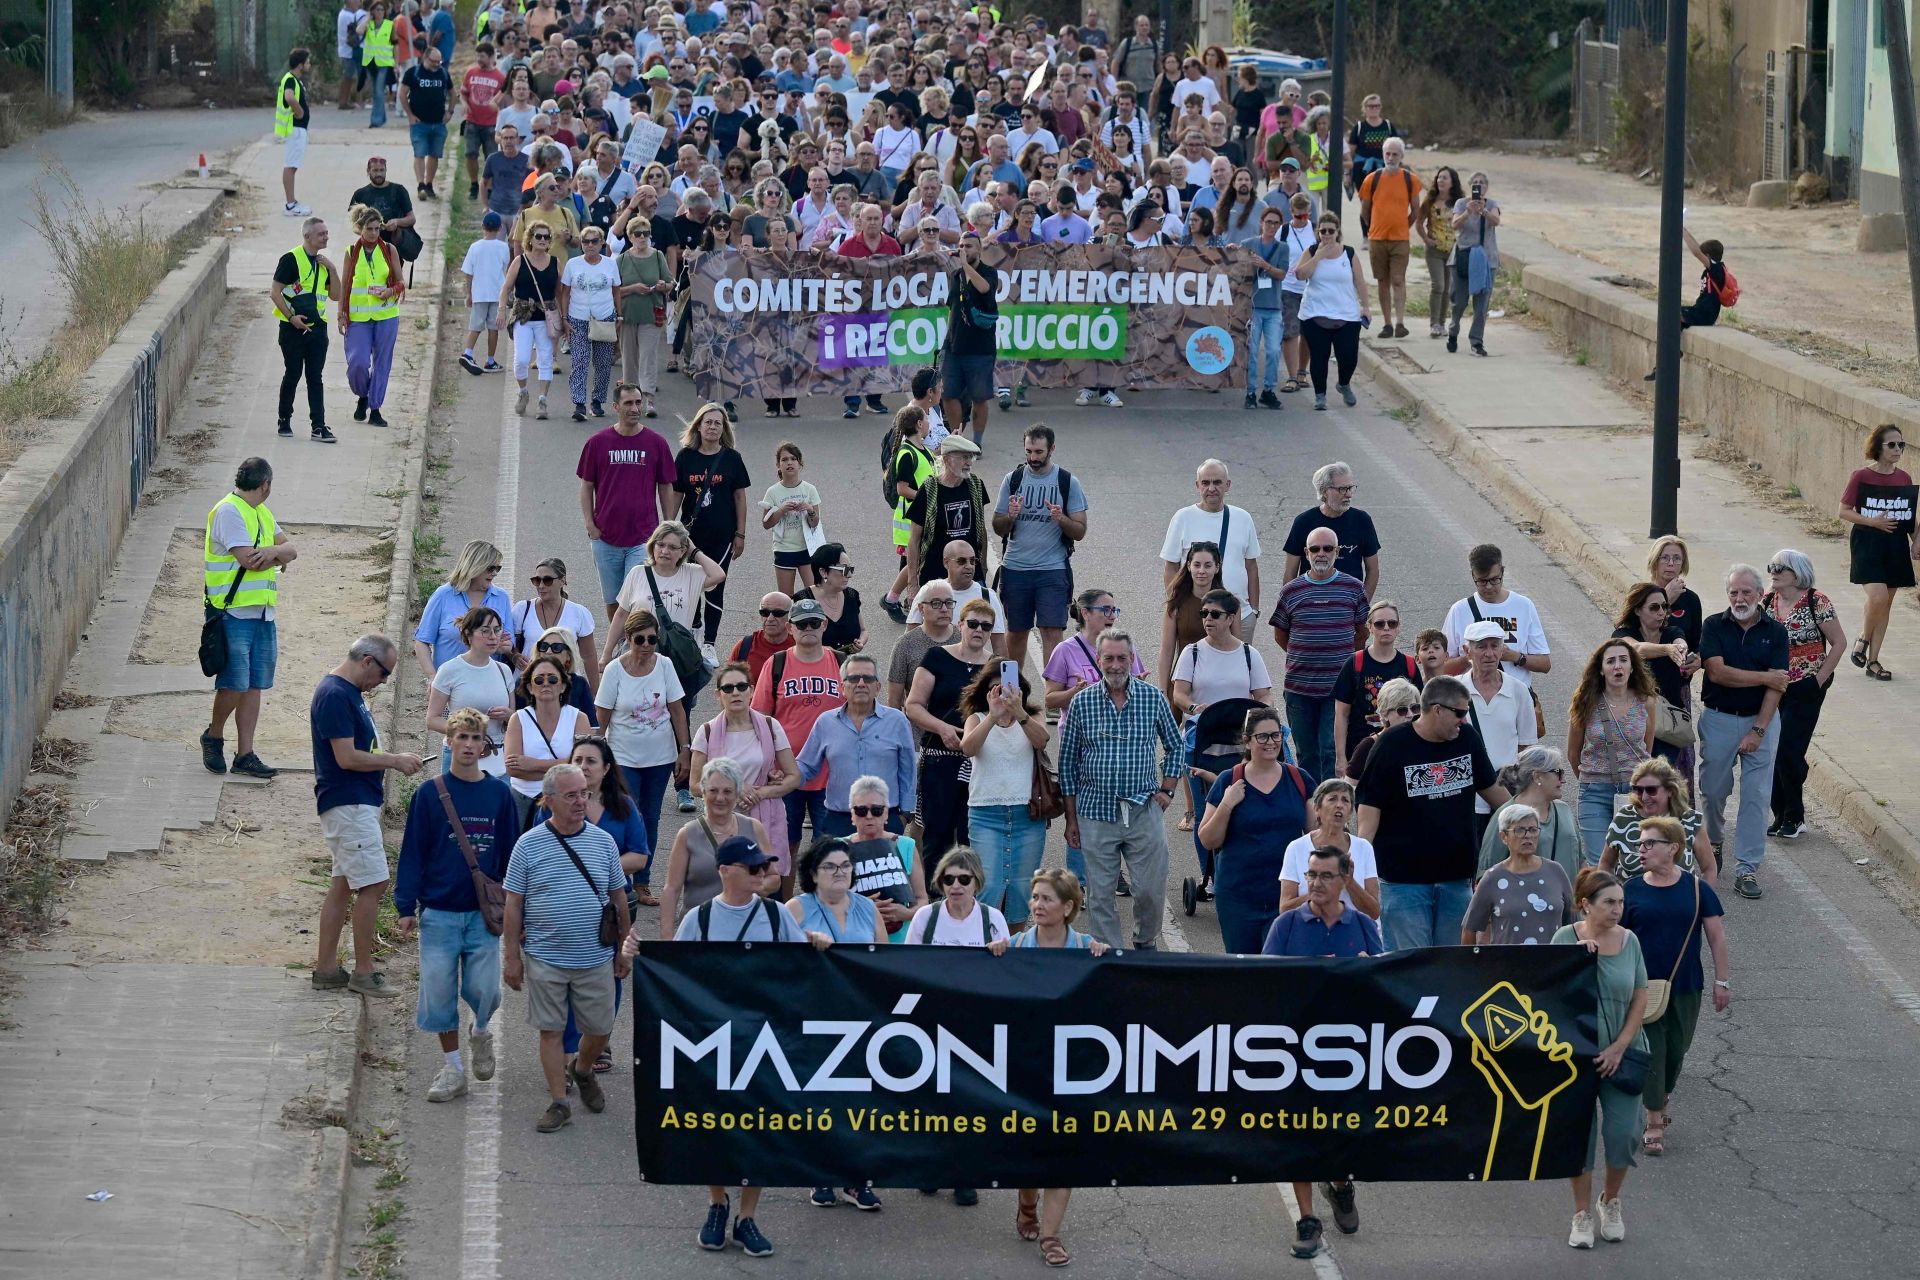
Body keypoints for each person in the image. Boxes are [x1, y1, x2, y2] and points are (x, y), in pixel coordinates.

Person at [645, 833, 830, 1257]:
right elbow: (674, 972)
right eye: (753, 868)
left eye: (764, 866)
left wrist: (816, 943)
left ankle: (747, 1216)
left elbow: (800, 966)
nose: (763, 874)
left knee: (759, 1129)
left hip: (764, 1043)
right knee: (714, 1127)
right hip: (714, 1044)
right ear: (726, 872)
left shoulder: (778, 915)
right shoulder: (700, 919)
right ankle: (717, 1203)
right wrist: (640, 951)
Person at [1260, 844, 1381, 1260]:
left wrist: (1367, 972)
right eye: (1311, 875)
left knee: (1343, 1131)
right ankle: (1307, 1219)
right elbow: (1263, 984)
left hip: (1350, 1054)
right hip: (1296, 1052)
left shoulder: (1363, 926)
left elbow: (1389, 986)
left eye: (1326, 876)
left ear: (1344, 880)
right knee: (1299, 1134)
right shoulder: (1287, 925)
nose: (1315, 883)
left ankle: (1341, 1185)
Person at [395, 708, 518, 1101]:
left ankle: (480, 1030)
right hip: (439, 913)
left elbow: (512, 853)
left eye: (475, 738)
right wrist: (404, 905)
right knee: (439, 993)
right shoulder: (429, 793)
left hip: (483, 914)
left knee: (487, 991)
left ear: (485, 745)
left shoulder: (499, 793)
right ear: (448, 742)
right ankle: (452, 1069)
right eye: (460, 737)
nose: (467, 745)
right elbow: (413, 851)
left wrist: (515, 906)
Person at [502, 764, 631, 1134]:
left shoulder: (603, 842)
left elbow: (618, 898)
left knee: (601, 1028)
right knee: (551, 1029)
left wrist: (622, 948)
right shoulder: (528, 845)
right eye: (572, 795)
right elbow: (513, 904)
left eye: (584, 793)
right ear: (549, 800)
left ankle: (584, 1069)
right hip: (545, 957)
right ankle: (559, 1102)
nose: (581, 801)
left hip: (595, 957)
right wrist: (512, 957)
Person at [1355, 677, 1509, 950]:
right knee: (1410, 968)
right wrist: (1363, 867)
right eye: (1459, 713)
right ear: (1437, 709)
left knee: (1450, 967)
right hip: (1404, 883)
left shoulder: (1467, 739)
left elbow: (1493, 791)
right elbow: (1369, 810)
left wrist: (1529, 816)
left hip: (1457, 879)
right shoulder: (1391, 745)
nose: (1464, 720)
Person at [310, 636, 423, 997]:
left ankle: (327, 968)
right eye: (385, 673)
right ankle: (363, 972)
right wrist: (393, 760)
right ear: (368, 661)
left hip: (354, 803)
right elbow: (346, 757)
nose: (384, 681)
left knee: (343, 884)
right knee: (373, 884)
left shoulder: (348, 693)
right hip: (349, 803)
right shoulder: (335, 695)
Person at [1060, 628, 1185, 950]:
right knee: (1100, 895)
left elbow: (1175, 746)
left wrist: (1167, 790)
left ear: (1131, 660)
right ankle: (1110, 958)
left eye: (1122, 658)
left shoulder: (1152, 697)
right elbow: (1067, 764)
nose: (1115, 665)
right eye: (1109, 658)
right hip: (1095, 813)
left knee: (1149, 891)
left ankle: (1145, 945)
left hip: (1144, 809)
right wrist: (1071, 820)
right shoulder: (1081, 703)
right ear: (1098, 661)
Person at [1010, 867, 1106, 1265]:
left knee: (1063, 1151)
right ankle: (1027, 1205)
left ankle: (1051, 1236)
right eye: (1035, 898)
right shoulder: (1014, 946)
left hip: (1073, 1070)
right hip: (1027, 1067)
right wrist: (991, 955)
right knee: (1032, 1153)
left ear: (1068, 907)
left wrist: (1106, 961)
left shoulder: (1088, 948)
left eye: (1047, 899)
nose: (1037, 905)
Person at [1621, 815, 1732, 1157]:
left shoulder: (1697, 889)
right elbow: (1618, 938)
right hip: (1640, 988)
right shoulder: (1631, 890)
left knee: (1677, 1051)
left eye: (1649, 843)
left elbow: (1716, 936)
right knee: (1652, 1053)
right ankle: (1654, 1121)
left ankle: (1662, 1095)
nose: (1642, 849)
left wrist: (1722, 981)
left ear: (1672, 848)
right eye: (1640, 844)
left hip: (1686, 986)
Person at [1553, 868, 1648, 1250]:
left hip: (1622, 1052)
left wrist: (1619, 1046)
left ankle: (1610, 1200)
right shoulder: (1564, 939)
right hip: (1575, 1055)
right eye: (1609, 902)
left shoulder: (1630, 941)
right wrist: (1578, 962)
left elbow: (1640, 995)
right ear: (1584, 906)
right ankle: (1581, 1214)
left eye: (1620, 902)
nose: (1617, 909)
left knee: (1624, 1134)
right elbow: (1547, 995)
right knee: (1580, 1136)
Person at [543, 737, 650, 1071]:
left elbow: (640, 854)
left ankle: (598, 1043)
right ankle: (571, 1045)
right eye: (578, 760)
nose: (584, 767)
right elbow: (539, 850)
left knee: (610, 976)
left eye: (591, 761)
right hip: (565, 907)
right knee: (570, 975)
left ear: (606, 769)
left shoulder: (624, 807)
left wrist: (603, 866)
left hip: (612, 908)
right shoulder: (551, 805)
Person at [201, 458, 297, 779]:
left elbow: (292, 550)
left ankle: (245, 755)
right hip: (232, 613)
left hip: (263, 614)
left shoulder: (263, 513)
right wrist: (276, 555)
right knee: (234, 683)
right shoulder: (229, 511)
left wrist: (272, 553)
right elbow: (248, 561)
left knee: (254, 684)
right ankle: (213, 736)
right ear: (266, 484)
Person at [1698, 565, 1789, 900]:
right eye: (1733, 592)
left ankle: (1747, 868)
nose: (1739, 598)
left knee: (1755, 796)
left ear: (1760, 594)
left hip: (1761, 719)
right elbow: (1718, 673)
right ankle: (1715, 842)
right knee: (1714, 789)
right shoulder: (1713, 626)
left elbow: (1777, 689)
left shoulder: (1776, 632)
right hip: (1719, 718)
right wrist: (1765, 676)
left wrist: (1759, 730)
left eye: (1746, 592)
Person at [1196, 705, 1312, 952]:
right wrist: (1227, 804)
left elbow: (1316, 835)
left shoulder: (1299, 779)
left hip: (1286, 897)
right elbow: (1208, 840)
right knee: (1244, 972)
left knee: (1280, 970)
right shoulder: (1229, 780)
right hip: (1238, 898)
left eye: (1276, 735)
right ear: (1247, 742)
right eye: (1262, 736)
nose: (1271, 742)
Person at [1756, 549, 1848, 841]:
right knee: (1773, 751)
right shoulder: (1768, 601)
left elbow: (1839, 642)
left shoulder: (1815, 600)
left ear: (1797, 573)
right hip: (1773, 686)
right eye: (1771, 566)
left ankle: (1795, 816)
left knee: (1788, 751)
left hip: (1805, 687)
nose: (1773, 571)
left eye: (1780, 567)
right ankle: (1780, 812)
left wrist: (1819, 680)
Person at [596, 609, 689, 887]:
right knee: (625, 815)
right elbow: (601, 718)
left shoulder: (664, 665)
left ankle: (643, 882)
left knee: (651, 818)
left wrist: (684, 748)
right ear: (628, 638)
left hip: (660, 758)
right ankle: (620, 880)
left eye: (652, 639)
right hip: (623, 757)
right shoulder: (614, 670)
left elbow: (677, 710)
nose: (647, 645)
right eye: (640, 639)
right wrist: (596, 758)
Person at [1270, 527, 1370, 783]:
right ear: (1306, 553)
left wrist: (1343, 660)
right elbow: (1281, 634)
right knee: (1306, 754)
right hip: (1299, 688)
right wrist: (1305, 654)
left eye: (1328, 548)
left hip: (1338, 690)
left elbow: (1362, 632)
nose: (1321, 554)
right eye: (1315, 549)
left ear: (1337, 552)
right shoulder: (1290, 591)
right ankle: (1310, 812)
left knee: (1331, 751)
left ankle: (1330, 815)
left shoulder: (1354, 588)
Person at [905, 598, 998, 859]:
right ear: (961, 625)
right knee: (936, 836)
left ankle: (972, 896)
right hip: (940, 759)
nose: (979, 630)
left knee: (975, 836)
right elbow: (913, 706)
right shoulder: (937, 657)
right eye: (973, 623)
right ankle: (932, 894)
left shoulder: (997, 665)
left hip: (981, 762)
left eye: (986, 626)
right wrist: (942, 728)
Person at [958, 662, 1050, 924]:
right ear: (986, 692)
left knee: (1021, 889)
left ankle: (1014, 947)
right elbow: (968, 748)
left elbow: (1042, 740)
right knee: (989, 886)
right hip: (986, 814)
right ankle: (986, 946)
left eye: (1009, 687)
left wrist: (1019, 713)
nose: (1003, 694)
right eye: (995, 689)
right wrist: (992, 716)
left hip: (1027, 814)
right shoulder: (976, 719)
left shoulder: (1032, 715)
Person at [690, 662, 801, 876]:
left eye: (742, 686)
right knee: (726, 883)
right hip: (723, 819)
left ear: (751, 690)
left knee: (765, 882)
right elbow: (695, 785)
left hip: (766, 816)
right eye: (728, 688)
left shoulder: (771, 726)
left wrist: (759, 793)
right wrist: (736, 790)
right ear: (718, 694)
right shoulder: (707, 731)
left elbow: (794, 776)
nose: (736, 693)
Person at [752, 597, 845, 852]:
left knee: (828, 848)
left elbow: (858, 718)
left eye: (813, 623)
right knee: (784, 844)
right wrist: (769, 765)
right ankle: (783, 894)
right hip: (785, 771)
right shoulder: (777, 663)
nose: (808, 629)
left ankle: (821, 893)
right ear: (791, 627)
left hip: (831, 774)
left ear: (824, 625)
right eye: (801, 624)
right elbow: (760, 720)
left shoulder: (840, 662)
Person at [991, 424, 1087, 668]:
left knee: (1052, 633)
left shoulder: (1067, 482)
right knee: (1017, 633)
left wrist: (1061, 519)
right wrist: (1010, 517)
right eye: (1029, 451)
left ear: (1051, 449)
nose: (1033, 458)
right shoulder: (1012, 480)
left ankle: (1053, 700)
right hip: (1015, 570)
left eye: (1038, 452)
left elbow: (1080, 531)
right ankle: (1013, 692)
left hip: (1052, 570)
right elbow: (997, 526)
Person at [579, 382, 677, 619]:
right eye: (628, 403)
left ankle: (634, 644)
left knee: (638, 598)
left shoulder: (656, 443)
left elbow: (665, 486)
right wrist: (590, 525)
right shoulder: (598, 442)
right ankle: (620, 646)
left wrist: (669, 525)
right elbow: (586, 486)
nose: (635, 408)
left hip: (643, 538)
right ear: (615, 406)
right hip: (606, 539)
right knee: (613, 599)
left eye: (638, 402)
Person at [666, 404, 751, 653]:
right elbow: (677, 494)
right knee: (690, 584)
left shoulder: (732, 458)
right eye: (708, 422)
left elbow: (739, 497)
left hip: (723, 536)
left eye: (718, 423)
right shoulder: (685, 457)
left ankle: (710, 643)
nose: (713, 427)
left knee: (715, 587)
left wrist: (740, 533)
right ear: (698, 426)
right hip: (691, 537)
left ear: (723, 428)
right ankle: (694, 628)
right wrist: (668, 528)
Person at [1566, 637, 1658, 865]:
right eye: (1611, 661)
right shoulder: (1585, 702)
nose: (1617, 666)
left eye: (1623, 660)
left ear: (1632, 666)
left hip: (1636, 792)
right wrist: (1591, 779)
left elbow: (1647, 747)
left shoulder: (1646, 702)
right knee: (1600, 865)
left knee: (1634, 862)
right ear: (1601, 669)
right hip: (1594, 793)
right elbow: (1572, 753)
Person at [1840, 423, 1918, 681]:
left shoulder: (1904, 478)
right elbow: (1844, 510)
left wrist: (1916, 540)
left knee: (1886, 603)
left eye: (1901, 445)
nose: (1898, 449)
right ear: (1878, 447)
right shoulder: (1861, 475)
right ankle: (1863, 638)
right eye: (1892, 445)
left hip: (1895, 544)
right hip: (1867, 541)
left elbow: (1906, 516)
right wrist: (1873, 522)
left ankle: (1873, 661)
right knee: (1877, 597)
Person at [658, 758, 774, 930]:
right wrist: (666, 938)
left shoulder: (754, 828)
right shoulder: (687, 834)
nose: (720, 798)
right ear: (703, 793)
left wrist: (754, 885)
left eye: (727, 791)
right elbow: (671, 889)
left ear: (737, 793)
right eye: (713, 790)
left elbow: (774, 877)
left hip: (746, 927)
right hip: (699, 929)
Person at [1461, 618, 1541, 840]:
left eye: (1495, 646)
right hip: (1468, 791)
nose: (1489, 653)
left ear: (1503, 649)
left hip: (1507, 789)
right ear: (1467, 651)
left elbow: (1527, 747)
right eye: (1481, 646)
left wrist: (1526, 792)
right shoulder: (1456, 690)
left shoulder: (1518, 690)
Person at [1160, 458, 1261, 627]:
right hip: (1197, 615)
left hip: (1238, 614)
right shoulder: (1182, 518)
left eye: (1217, 482)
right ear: (1197, 485)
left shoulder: (1243, 518)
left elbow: (1251, 566)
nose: (1211, 488)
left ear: (1228, 485)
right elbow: (1171, 567)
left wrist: (1254, 609)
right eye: (1205, 483)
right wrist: (1176, 606)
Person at [1612, 580, 1698, 775]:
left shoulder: (1672, 632)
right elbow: (1636, 649)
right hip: (1633, 721)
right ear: (1637, 610)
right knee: (1632, 779)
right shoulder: (1622, 634)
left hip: (1666, 724)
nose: (1662, 612)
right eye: (1654, 607)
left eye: (1664, 606)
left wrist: (1681, 649)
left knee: (1661, 780)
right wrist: (1667, 650)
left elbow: (1681, 643)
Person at [1442, 543, 1552, 694]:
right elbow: (1441, 668)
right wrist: (1470, 657)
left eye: (1494, 580)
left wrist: (1513, 656)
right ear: (1473, 575)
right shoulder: (1460, 610)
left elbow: (1544, 664)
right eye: (1481, 581)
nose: (1488, 587)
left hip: (1516, 698)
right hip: (1472, 700)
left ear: (1503, 571)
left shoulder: (1523, 606)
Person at [1462, 803, 1576, 944]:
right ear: (1504, 836)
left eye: (1533, 830)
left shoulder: (1555, 871)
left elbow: (1573, 922)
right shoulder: (1493, 877)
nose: (1527, 836)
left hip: (1554, 963)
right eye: (1520, 830)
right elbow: (1470, 928)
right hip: (1508, 964)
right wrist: (1475, 963)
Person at [271, 215, 340, 441]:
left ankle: (318, 426)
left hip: (318, 330)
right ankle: (284, 419)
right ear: (307, 236)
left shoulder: (323, 263)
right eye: (321, 234)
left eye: (326, 233)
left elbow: (335, 295)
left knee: (315, 377)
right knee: (293, 373)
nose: (326, 237)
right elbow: (275, 292)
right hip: (293, 330)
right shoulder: (291, 259)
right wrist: (291, 318)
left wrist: (332, 270)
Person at [1332, 599, 1420, 777]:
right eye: (1380, 624)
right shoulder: (1355, 663)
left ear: (1398, 628)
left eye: (1392, 623)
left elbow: (1420, 713)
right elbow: (1341, 714)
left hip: (1402, 749)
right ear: (1370, 627)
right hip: (1359, 751)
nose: (1386, 628)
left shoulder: (1409, 665)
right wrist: (1340, 758)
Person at [1292, 213, 1369, 410]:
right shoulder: (1311, 251)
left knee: (1348, 356)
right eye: (1323, 231)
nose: (1326, 234)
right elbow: (1300, 275)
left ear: (1337, 233)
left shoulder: (1349, 253)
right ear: (1318, 233)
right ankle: (1320, 396)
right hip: (1315, 313)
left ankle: (1344, 384)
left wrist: (1366, 307)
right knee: (1319, 356)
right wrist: (1318, 256)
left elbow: (1359, 282)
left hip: (1346, 314)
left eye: (1330, 231)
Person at [425, 607, 515, 773]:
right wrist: (467, 732)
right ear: (468, 634)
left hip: (497, 757)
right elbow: (432, 719)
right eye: (485, 631)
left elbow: (513, 719)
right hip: (460, 755)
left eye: (497, 630)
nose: (493, 637)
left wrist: (508, 715)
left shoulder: (504, 670)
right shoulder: (449, 670)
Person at [1601, 757, 1720, 881]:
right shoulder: (1624, 817)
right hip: (1630, 899)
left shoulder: (1691, 820)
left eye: (1651, 790)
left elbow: (1709, 868)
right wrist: (1610, 895)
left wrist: (1700, 898)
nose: (1645, 797)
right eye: (1639, 790)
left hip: (1678, 899)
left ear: (1670, 790)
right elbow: (1605, 864)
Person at [341, 203, 405, 428]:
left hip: (386, 316)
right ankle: (363, 395)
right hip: (358, 319)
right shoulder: (351, 252)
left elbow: (400, 282)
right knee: (357, 363)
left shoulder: (389, 250)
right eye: (370, 228)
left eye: (378, 228)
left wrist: (390, 291)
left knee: (382, 363)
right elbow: (345, 286)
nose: (374, 233)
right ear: (360, 228)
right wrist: (342, 314)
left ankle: (375, 408)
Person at [1476, 745, 1583, 881]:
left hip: (1567, 900)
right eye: (1558, 772)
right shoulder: (1505, 816)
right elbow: (1487, 873)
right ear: (1538, 776)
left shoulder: (1564, 811)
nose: (1563, 780)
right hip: (1523, 901)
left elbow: (1581, 861)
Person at [1278, 777, 1380, 917]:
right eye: (1332, 799)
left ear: (1350, 812)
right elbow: (1285, 909)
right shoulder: (1296, 848)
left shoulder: (1363, 848)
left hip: (1353, 934)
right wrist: (1319, 891)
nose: (1339, 805)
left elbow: (1374, 912)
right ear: (1317, 808)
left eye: (1345, 800)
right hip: (1311, 932)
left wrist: (1349, 882)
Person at [414, 539, 513, 678]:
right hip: (449, 684)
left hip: (488, 682)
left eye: (498, 568)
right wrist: (432, 677)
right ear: (475, 566)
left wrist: (503, 648)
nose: (495, 573)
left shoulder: (501, 597)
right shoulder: (443, 595)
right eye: (490, 568)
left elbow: (509, 643)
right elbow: (422, 641)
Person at [845, 775, 928, 941]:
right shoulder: (838, 848)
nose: (869, 816)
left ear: (886, 814)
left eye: (876, 810)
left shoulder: (906, 846)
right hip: (853, 939)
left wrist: (906, 913)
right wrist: (859, 908)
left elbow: (922, 900)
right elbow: (823, 902)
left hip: (899, 941)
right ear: (852, 815)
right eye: (861, 810)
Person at [1641, 225, 1730, 379]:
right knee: (1670, 315)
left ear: (1708, 255)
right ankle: (1664, 361)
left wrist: (1682, 230)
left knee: (1670, 315)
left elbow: (1696, 252)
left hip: (1704, 314)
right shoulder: (1712, 270)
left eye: (1704, 256)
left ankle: (1670, 358)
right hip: (1699, 310)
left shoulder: (1716, 269)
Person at [1282, 461, 1380, 596]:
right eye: (1342, 489)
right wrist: (1291, 605)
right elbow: (1290, 573)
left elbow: (1373, 570)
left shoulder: (1362, 520)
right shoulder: (1304, 522)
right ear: (1324, 491)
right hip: (1310, 602)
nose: (1349, 494)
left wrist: (1362, 606)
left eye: (1350, 488)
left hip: (1349, 605)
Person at [1357, 138, 1420, 338]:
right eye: (1388, 154)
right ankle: (1387, 323)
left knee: (1398, 279)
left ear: (1401, 156)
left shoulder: (1410, 180)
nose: (1391, 158)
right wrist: (1374, 227)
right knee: (1382, 281)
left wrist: (1403, 225)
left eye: (1395, 154)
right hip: (1377, 239)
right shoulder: (1371, 179)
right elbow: (1364, 211)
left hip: (1400, 239)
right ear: (1383, 155)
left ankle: (1400, 322)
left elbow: (1416, 210)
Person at [499, 207, 559, 417]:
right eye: (539, 236)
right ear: (530, 239)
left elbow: (559, 292)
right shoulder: (520, 260)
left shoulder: (554, 262)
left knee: (545, 358)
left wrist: (564, 317)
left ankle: (542, 400)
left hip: (546, 317)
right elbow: (506, 288)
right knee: (522, 359)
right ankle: (523, 391)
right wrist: (501, 311)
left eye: (546, 237)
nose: (543, 240)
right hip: (523, 317)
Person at [557, 225, 620, 420]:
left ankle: (598, 401)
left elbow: (617, 290)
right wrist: (564, 318)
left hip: (604, 317)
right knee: (580, 361)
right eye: (586, 241)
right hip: (578, 318)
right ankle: (579, 404)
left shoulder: (610, 264)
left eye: (594, 241)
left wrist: (620, 316)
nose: (590, 245)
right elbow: (565, 293)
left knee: (602, 363)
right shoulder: (573, 264)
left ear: (601, 243)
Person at [511, 557, 598, 682]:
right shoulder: (522, 609)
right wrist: (514, 656)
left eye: (547, 580)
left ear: (562, 581)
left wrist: (595, 695)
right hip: (527, 684)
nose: (541, 586)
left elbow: (589, 656)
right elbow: (507, 643)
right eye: (536, 580)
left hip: (566, 685)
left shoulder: (579, 612)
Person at [612, 222, 671, 404]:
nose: (642, 237)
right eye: (638, 234)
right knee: (629, 358)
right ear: (630, 237)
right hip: (627, 315)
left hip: (651, 314)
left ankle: (648, 398)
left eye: (646, 233)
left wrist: (663, 286)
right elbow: (614, 291)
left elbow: (670, 283)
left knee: (648, 356)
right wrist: (633, 288)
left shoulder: (658, 256)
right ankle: (629, 399)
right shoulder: (621, 259)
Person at [1447, 171, 1500, 357]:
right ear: (1470, 186)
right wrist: (1468, 212)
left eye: (1482, 183)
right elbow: (1454, 224)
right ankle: (1453, 331)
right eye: (1475, 183)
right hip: (1463, 258)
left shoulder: (1492, 204)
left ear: (1486, 187)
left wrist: (1483, 210)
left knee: (1481, 305)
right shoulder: (1461, 204)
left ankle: (1476, 341)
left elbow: (1496, 221)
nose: (1479, 186)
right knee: (1459, 302)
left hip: (1486, 260)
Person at [761, 442, 822, 597]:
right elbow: (766, 524)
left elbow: (815, 523)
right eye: (784, 459)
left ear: (799, 463)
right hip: (784, 549)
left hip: (807, 548)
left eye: (793, 459)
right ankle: (789, 622)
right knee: (786, 598)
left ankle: (815, 622)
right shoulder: (772, 492)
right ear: (778, 465)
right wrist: (782, 510)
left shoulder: (809, 489)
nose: (789, 462)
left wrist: (809, 510)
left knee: (815, 594)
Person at [1245, 205, 1290, 409]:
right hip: (1253, 307)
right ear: (1261, 223)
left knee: (1272, 351)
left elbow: (1281, 274)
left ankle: (1269, 389)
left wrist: (1265, 265)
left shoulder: (1282, 247)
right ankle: (1250, 391)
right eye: (1268, 222)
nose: (1271, 226)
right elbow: (1232, 260)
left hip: (1273, 307)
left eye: (1276, 223)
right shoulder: (1249, 244)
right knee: (1252, 351)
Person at [458, 212, 510, 375]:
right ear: (500, 228)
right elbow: (505, 269)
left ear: (483, 227)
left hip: (479, 292)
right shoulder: (503, 247)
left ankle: (468, 352)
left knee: (476, 326)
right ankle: (490, 360)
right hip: (497, 294)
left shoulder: (475, 247)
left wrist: (469, 293)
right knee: (493, 328)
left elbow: (468, 273)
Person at [793, 543, 867, 655]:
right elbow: (793, 638)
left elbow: (863, 630)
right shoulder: (803, 600)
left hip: (847, 667)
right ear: (823, 572)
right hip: (815, 665)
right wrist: (823, 651)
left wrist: (860, 642)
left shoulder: (852, 596)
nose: (849, 575)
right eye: (843, 570)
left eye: (850, 569)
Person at [1342, 676, 1418, 784]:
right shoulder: (1368, 746)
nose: (1410, 715)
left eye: (1414, 708)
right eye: (1402, 710)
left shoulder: (1421, 741)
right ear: (1384, 714)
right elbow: (1349, 788)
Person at [400, 39, 451, 198]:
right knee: (420, 153)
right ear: (424, 58)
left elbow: (452, 92)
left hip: (438, 123)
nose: (437, 64)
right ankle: (420, 184)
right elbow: (402, 94)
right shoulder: (413, 73)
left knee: (435, 155)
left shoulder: (443, 73)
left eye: (439, 61)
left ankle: (429, 184)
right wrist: (410, 115)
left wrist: (450, 112)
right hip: (419, 123)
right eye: (434, 61)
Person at [1414, 165, 1460, 339]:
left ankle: (1442, 323)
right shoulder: (1430, 200)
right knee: (1438, 285)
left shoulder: (1458, 202)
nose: (1441, 180)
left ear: (1452, 182)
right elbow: (1419, 222)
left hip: (1453, 250)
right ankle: (1434, 323)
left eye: (1445, 178)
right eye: (1439, 177)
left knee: (1447, 289)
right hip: (1434, 250)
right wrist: (1426, 239)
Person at [459, 41, 504, 203]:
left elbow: (503, 100)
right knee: (470, 153)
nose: (479, 59)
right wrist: (464, 104)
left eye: (482, 56)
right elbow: (463, 93)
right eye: (477, 55)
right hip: (472, 122)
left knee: (490, 157)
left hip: (491, 124)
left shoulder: (500, 77)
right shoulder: (471, 73)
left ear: (492, 57)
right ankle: (473, 184)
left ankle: (490, 188)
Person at [275, 50, 315, 219]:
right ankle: (290, 205)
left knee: (292, 165)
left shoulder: (293, 79)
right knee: (290, 166)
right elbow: (289, 98)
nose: (309, 65)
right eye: (307, 62)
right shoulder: (291, 80)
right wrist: (299, 113)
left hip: (298, 130)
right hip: (295, 129)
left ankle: (292, 203)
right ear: (300, 65)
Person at [728, 592, 796, 684]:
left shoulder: (800, 646)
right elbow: (727, 685)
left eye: (778, 613)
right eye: (765, 613)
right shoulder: (745, 647)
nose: (770, 618)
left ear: (790, 617)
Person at [359, 0, 399, 127]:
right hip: (370, 62)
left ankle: (375, 120)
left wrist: (396, 63)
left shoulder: (389, 25)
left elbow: (395, 45)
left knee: (379, 90)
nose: (380, 12)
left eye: (382, 10)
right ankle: (381, 118)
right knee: (376, 92)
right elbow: (359, 31)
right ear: (373, 11)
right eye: (377, 10)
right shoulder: (369, 25)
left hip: (384, 63)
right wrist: (367, 18)